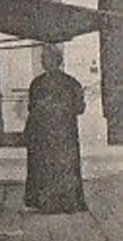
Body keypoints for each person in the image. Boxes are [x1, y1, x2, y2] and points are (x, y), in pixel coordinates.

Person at [24, 44, 87, 213]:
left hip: (51, 133)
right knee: (60, 166)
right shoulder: (71, 82)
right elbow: (80, 108)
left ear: (55, 61)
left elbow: (32, 108)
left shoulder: (38, 83)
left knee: (48, 166)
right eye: (43, 59)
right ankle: (64, 202)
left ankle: (50, 202)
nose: (43, 62)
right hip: (61, 134)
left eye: (45, 59)